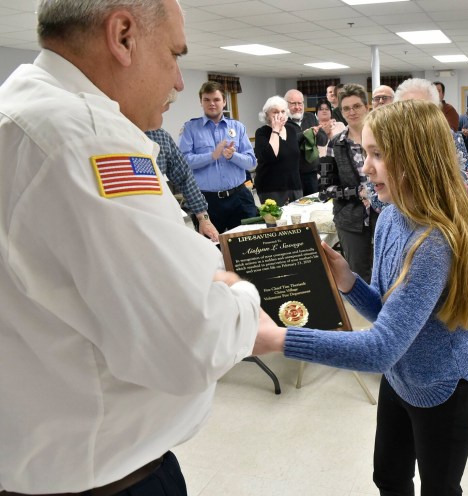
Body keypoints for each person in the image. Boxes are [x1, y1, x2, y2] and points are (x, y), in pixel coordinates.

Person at [0, 1, 261, 493]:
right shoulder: (89, 139)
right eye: (174, 54)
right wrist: (241, 291)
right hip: (109, 476)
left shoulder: (17, 112)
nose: (180, 82)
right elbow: (193, 338)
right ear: (123, 36)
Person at [253, 100, 468, 496]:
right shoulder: (392, 217)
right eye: (366, 153)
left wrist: (280, 338)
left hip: (445, 384)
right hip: (401, 373)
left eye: (378, 155)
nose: (365, 167)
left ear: (415, 159)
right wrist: (348, 282)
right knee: (390, 477)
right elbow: (389, 315)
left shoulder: (431, 244)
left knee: (439, 489)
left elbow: (380, 348)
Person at [179, 81, 258, 233]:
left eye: (216, 99)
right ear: (201, 102)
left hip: (239, 197)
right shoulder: (190, 128)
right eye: (206, 100)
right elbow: (183, 162)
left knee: (248, 246)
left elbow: (251, 162)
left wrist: (233, 156)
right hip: (207, 202)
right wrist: (212, 156)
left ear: (224, 101)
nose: (212, 104)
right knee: (213, 249)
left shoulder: (237, 127)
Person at [325, 84, 377, 283]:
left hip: (385, 215)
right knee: (358, 274)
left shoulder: (384, 139)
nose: (352, 112)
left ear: (367, 107)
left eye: (357, 106)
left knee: (390, 269)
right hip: (349, 218)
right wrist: (358, 192)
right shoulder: (335, 144)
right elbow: (326, 189)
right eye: (346, 108)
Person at [393, 77, 468, 200]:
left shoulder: (451, 138)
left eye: (422, 107)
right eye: (406, 107)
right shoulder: (390, 140)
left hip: (441, 215)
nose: (413, 113)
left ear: (435, 110)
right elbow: (375, 196)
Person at [254, 95, 303, 205]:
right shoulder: (262, 132)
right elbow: (270, 156)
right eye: (275, 112)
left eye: (282, 111)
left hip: (294, 186)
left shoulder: (291, 130)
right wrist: (275, 129)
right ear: (267, 115)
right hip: (271, 189)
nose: (280, 115)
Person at [285, 89, 319, 196]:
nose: (297, 107)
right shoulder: (282, 121)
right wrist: (303, 134)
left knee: (313, 204)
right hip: (291, 174)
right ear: (286, 104)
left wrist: (319, 133)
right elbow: (285, 144)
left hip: (311, 172)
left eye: (300, 103)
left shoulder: (311, 117)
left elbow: (323, 140)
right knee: (295, 206)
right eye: (293, 103)